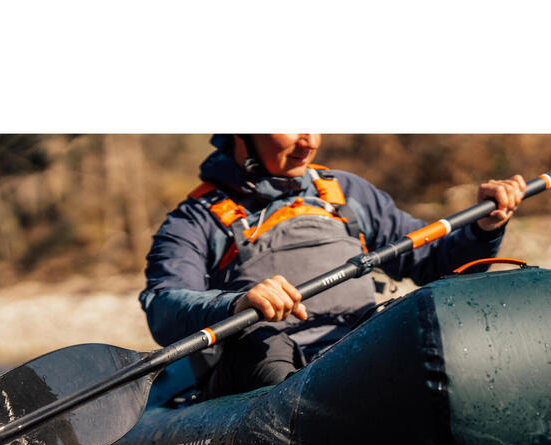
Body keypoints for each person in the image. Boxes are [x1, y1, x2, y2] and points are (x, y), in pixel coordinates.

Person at [140, 134, 526, 399]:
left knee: (408, 314)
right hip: (263, 378)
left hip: (352, 358)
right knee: (260, 342)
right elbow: (164, 306)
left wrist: (483, 228)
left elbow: (433, 263)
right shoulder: (195, 219)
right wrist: (235, 303)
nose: (308, 141)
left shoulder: (345, 192)